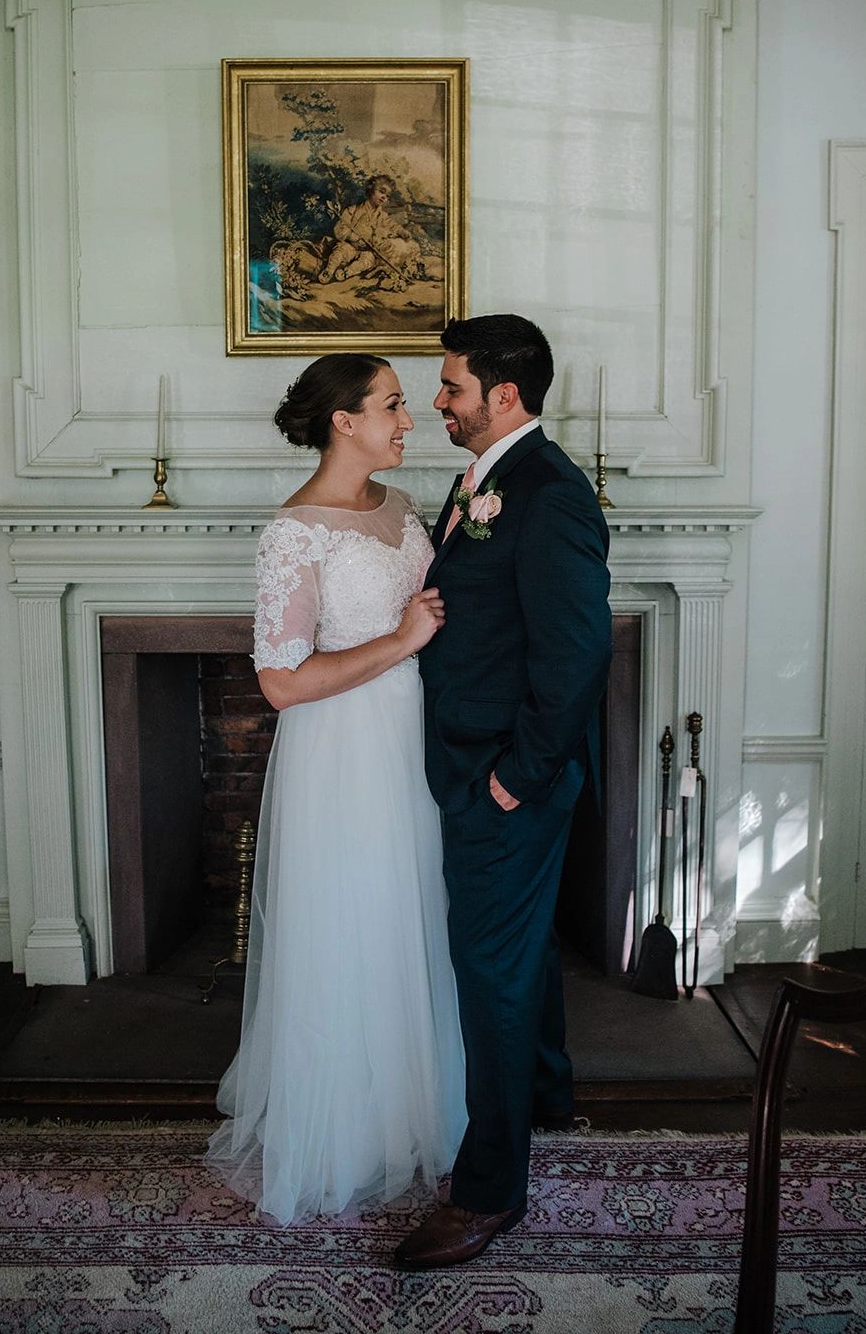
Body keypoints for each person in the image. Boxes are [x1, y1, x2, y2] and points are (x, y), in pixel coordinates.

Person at [206, 353, 466, 1225]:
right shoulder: (294, 534)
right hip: (342, 756)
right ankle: (343, 1134)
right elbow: (280, 681)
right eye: (392, 406)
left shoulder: (400, 509)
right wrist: (400, 643)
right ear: (344, 420)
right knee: (350, 923)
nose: (408, 420)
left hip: (408, 743)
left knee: (404, 916)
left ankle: (408, 1117)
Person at [394, 313, 614, 1270]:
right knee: (516, 953)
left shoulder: (550, 494)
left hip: (505, 774)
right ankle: (550, 1096)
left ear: (505, 396)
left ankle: (488, 1192)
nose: (438, 401)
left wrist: (514, 779)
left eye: (450, 387)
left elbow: (576, 656)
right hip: (480, 760)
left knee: (489, 968)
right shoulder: (480, 479)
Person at [319, 175, 422, 289]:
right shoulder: (353, 210)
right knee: (340, 251)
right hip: (349, 245)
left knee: (368, 260)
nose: (384, 197)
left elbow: (392, 225)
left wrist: (402, 232)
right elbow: (339, 229)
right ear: (371, 189)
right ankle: (328, 271)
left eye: (387, 196)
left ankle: (346, 273)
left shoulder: (381, 216)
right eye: (381, 192)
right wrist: (352, 236)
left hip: (367, 249)